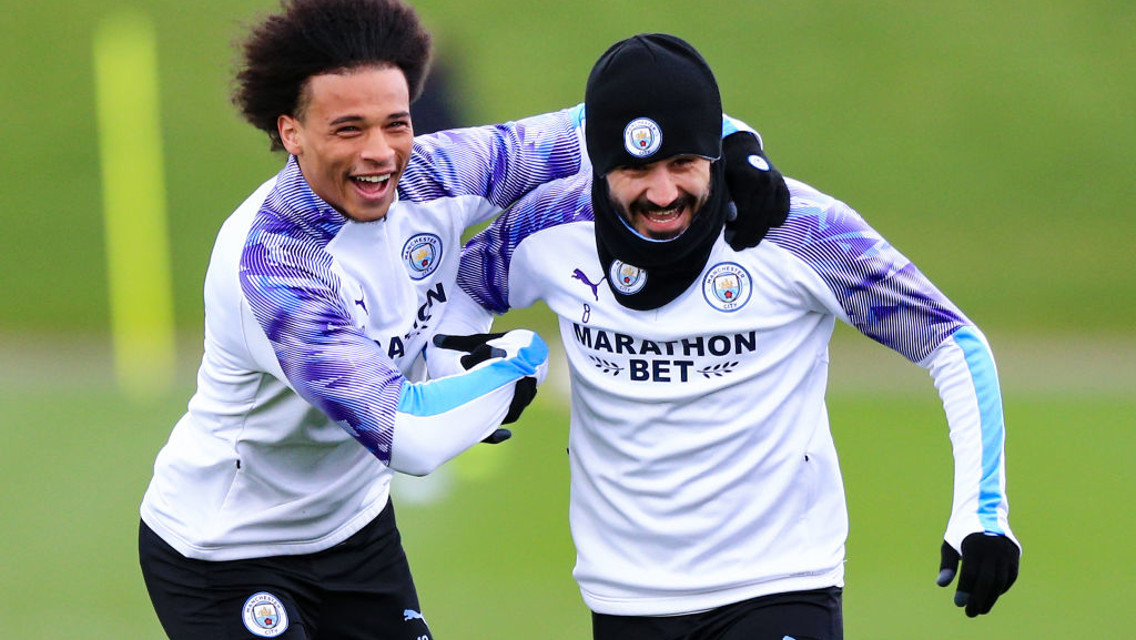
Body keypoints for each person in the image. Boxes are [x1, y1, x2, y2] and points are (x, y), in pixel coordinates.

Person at [439, 33, 1020, 640]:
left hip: (779, 585)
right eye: (636, 169)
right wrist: (460, 372)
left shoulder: (802, 231)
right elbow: (459, 291)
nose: (663, 193)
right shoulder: (547, 226)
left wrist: (981, 514)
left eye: (682, 164)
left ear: (716, 153)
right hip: (622, 597)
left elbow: (951, 342)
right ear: (596, 162)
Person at [136, 0, 585, 638]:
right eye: (348, 129)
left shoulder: (436, 172)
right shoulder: (274, 264)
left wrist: (725, 153)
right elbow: (412, 436)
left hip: (355, 534)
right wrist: (520, 366)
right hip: (223, 552)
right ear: (292, 131)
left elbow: (608, 124)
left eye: (395, 124)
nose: (379, 153)